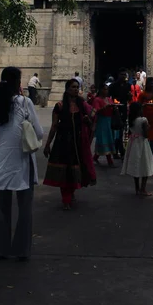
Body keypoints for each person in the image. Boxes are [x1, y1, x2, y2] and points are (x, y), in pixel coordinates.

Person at [0, 66, 43, 261]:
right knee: (25, 208)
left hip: (2, 159)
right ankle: (21, 250)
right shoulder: (25, 103)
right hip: (24, 159)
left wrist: (4, 138)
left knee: (0, 206)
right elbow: (39, 133)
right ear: (18, 83)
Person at [43, 79, 96, 210]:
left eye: (77, 87)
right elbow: (54, 126)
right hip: (63, 142)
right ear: (67, 89)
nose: (76, 89)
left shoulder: (82, 104)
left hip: (77, 142)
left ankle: (71, 194)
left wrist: (87, 120)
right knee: (64, 171)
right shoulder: (60, 106)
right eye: (73, 87)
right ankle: (66, 198)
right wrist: (47, 144)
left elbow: (94, 117)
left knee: (74, 170)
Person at [120, 102, 153, 196]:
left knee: (136, 165)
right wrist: (148, 128)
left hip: (133, 143)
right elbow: (145, 135)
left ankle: (137, 188)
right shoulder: (143, 120)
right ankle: (143, 188)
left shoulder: (131, 120)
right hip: (142, 143)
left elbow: (129, 132)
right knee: (145, 165)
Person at [108, 69, 132, 159]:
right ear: (118, 75)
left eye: (124, 74)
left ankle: (120, 150)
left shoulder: (128, 86)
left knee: (122, 131)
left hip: (123, 109)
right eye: (121, 74)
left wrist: (129, 97)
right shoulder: (113, 86)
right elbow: (109, 97)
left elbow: (129, 98)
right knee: (115, 131)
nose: (123, 76)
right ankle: (115, 150)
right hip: (115, 110)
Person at [92, 83, 115, 167]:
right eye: (105, 89)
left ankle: (95, 157)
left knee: (108, 139)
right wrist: (105, 108)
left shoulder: (109, 99)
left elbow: (112, 107)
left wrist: (114, 107)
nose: (106, 91)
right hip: (101, 121)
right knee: (103, 139)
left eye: (107, 89)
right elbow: (95, 111)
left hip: (109, 121)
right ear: (101, 90)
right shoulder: (97, 100)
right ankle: (109, 161)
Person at [138, 77, 153, 155]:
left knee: (152, 138)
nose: (151, 85)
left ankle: (151, 156)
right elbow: (138, 105)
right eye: (150, 83)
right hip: (145, 118)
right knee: (144, 137)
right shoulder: (142, 94)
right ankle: (144, 156)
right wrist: (143, 105)